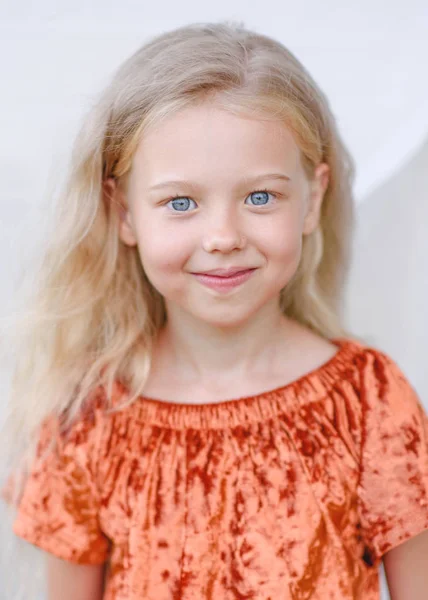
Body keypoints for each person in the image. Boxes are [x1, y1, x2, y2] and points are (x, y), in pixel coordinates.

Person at [1, 20, 428, 600]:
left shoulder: (369, 401)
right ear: (123, 213)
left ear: (313, 198)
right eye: (181, 202)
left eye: (259, 197)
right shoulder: (89, 420)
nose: (223, 235)